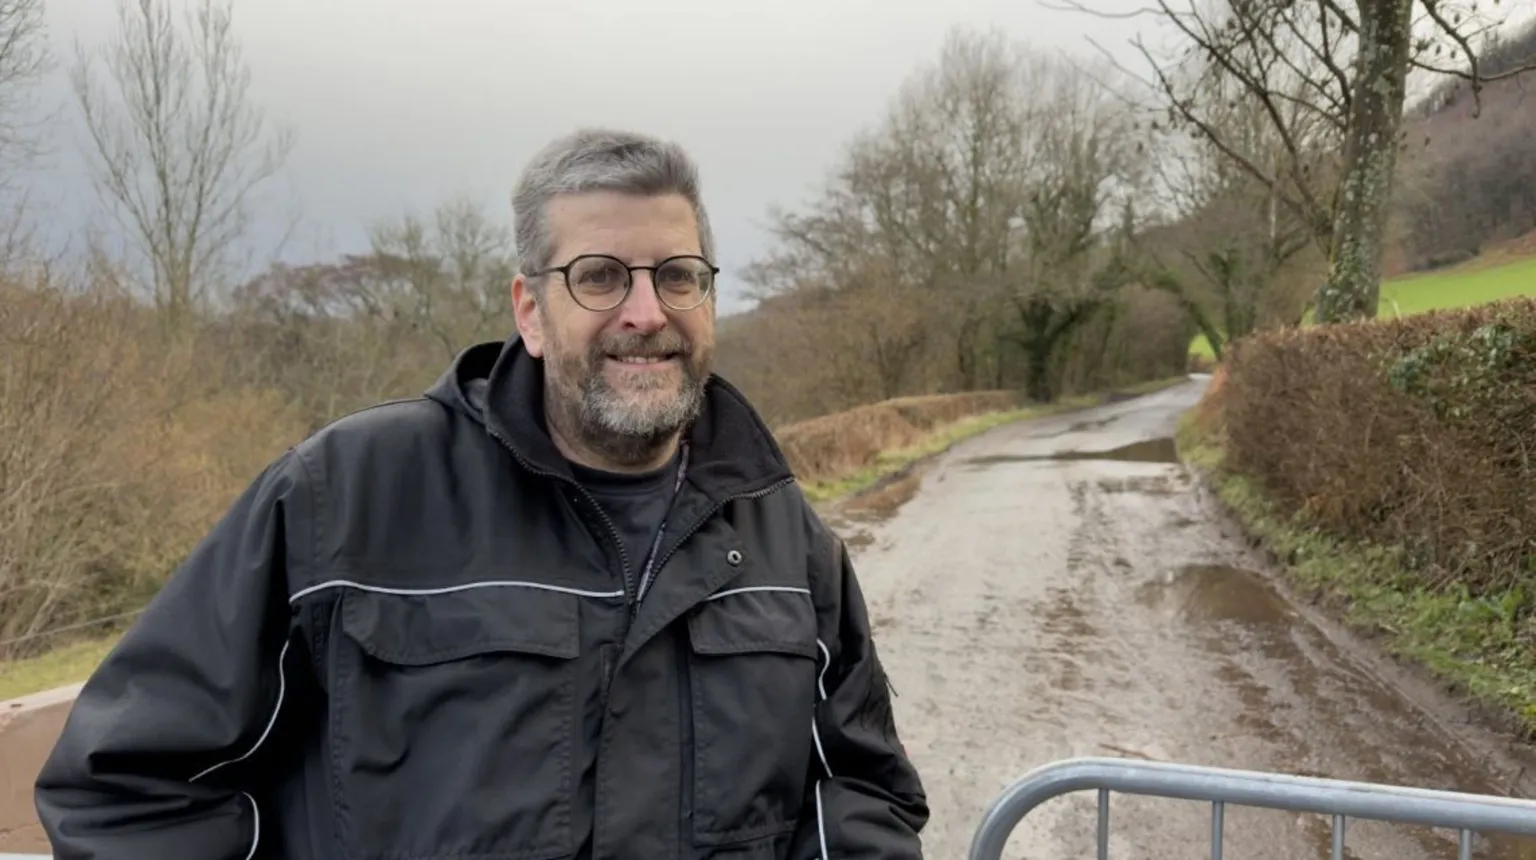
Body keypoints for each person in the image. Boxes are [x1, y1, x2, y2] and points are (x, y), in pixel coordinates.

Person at [34, 127, 929, 860]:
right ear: (531, 311)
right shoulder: (341, 500)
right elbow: (123, 787)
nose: (647, 312)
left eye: (678, 275)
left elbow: (863, 797)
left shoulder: (786, 539)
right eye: (601, 276)